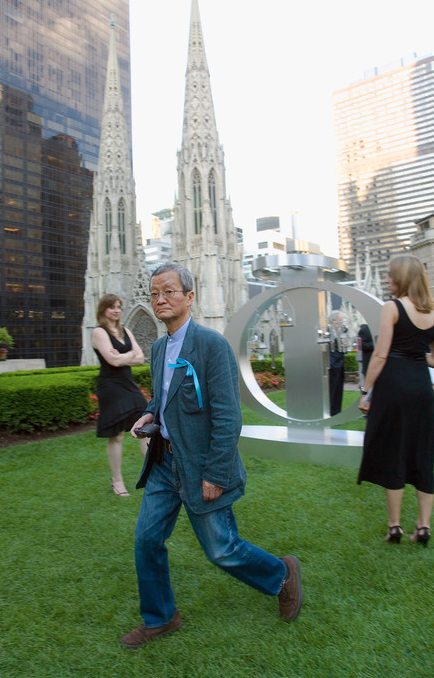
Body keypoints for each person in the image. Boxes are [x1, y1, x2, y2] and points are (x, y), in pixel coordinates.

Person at [121, 264, 303, 649]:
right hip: (164, 463)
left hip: (200, 465)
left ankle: (281, 576)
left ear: (189, 297)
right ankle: (160, 617)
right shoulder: (157, 348)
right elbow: (163, 396)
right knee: (146, 541)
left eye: (169, 292)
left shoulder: (211, 345)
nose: (160, 300)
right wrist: (151, 412)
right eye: (155, 293)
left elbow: (227, 416)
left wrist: (216, 474)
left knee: (222, 550)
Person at [358, 255, 434, 546]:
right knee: (423, 454)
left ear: (402, 278)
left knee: (394, 452)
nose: (387, 280)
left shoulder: (392, 307)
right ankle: (424, 527)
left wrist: (366, 391)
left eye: (390, 276)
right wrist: (415, 353)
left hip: (393, 388)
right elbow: (433, 359)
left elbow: (380, 355)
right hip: (422, 388)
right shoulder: (432, 311)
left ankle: (395, 527)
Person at [92, 294, 148, 497]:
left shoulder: (125, 331)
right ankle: (117, 481)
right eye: (111, 307)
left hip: (128, 384)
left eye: (118, 307)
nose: (116, 310)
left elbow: (141, 358)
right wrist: (130, 355)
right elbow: (112, 362)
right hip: (110, 387)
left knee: (146, 427)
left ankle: (154, 473)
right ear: (103, 310)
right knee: (116, 436)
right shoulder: (99, 332)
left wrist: (126, 357)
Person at [328, 310, 346, 415]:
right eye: (340, 320)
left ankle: (337, 412)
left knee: (338, 390)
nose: (341, 323)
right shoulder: (328, 331)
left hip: (340, 364)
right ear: (333, 321)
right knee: (332, 390)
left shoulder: (339, 332)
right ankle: (331, 412)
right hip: (332, 365)